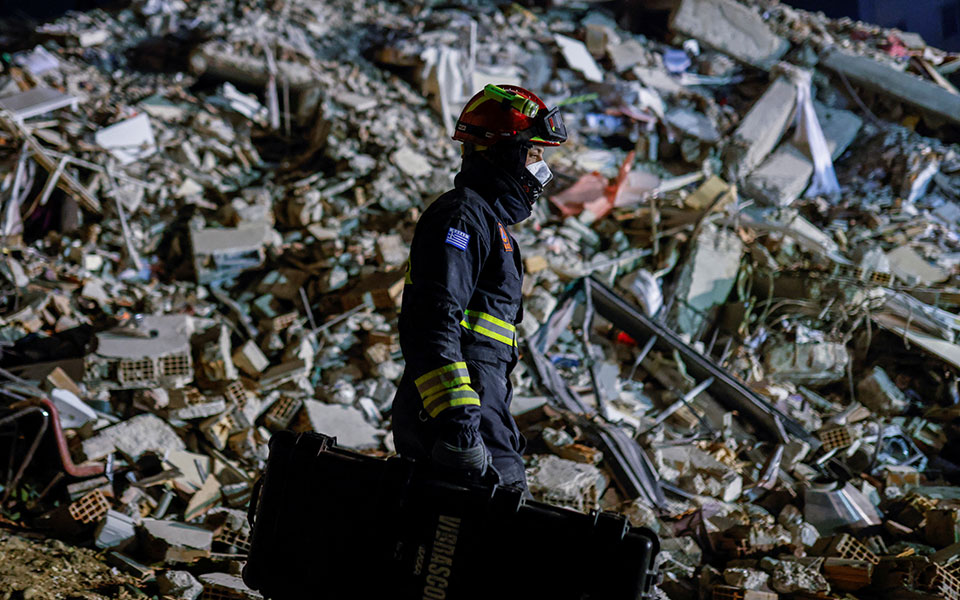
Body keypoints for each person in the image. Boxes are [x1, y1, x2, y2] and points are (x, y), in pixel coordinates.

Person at [391, 84, 567, 491]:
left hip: (479, 408)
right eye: (534, 153)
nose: (540, 169)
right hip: (461, 416)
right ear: (503, 151)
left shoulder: (487, 222)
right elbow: (432, 319)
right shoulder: (462, 217)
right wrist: (458, 424)